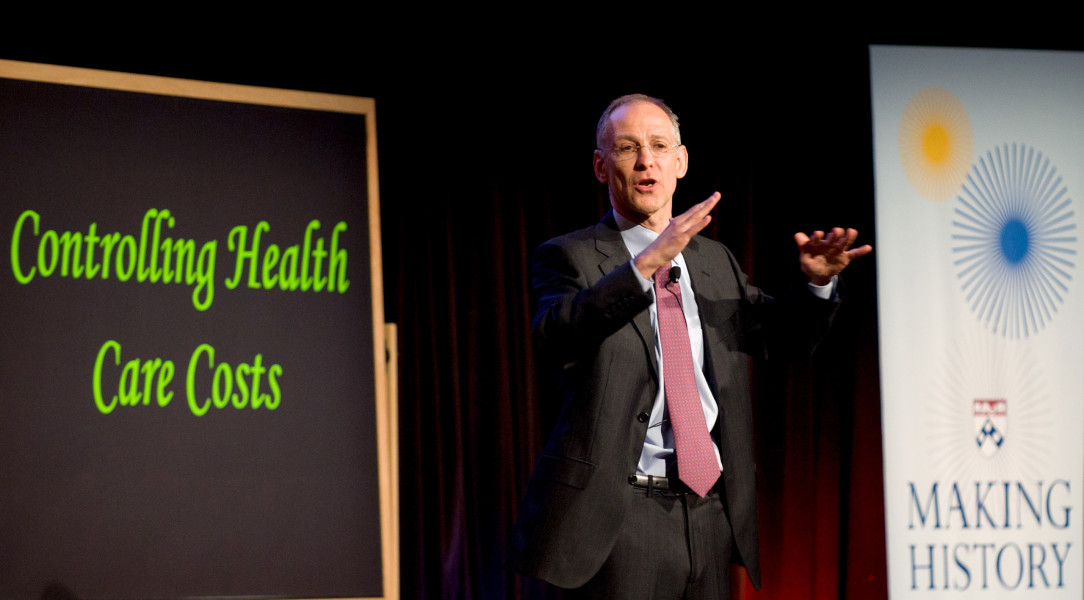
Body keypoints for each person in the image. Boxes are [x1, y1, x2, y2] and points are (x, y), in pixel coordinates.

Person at [509, 94, 872, 599]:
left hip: (707, 512)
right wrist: (642, 267)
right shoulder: (569, 256)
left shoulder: (713, 260)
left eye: (659, 146)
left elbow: (780, 337)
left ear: (680, 162)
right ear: (600, 165)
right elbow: (555, 339)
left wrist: (814, 286)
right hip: (620, 520)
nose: (645, 160)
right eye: (627, 148)